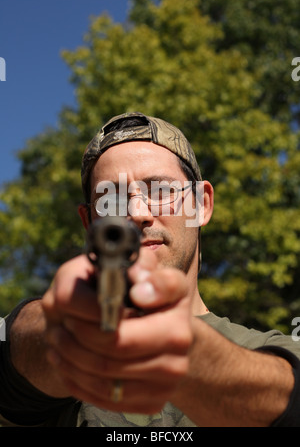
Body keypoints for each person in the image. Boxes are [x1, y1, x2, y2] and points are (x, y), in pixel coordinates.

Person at [1, 112, 300, 427]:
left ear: (202, 204)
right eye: (110, 200)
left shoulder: (276, 352)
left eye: (160, 190)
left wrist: (184, 351)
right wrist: (63, 327)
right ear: (89, 223)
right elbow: (11, 361)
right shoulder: (64, 334)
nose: (136, 213)